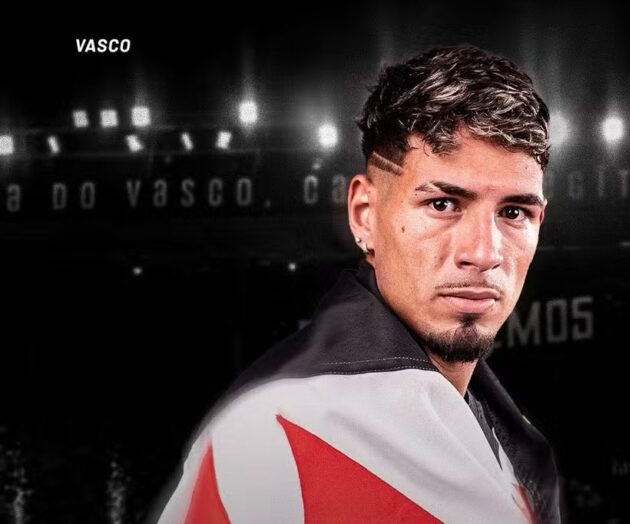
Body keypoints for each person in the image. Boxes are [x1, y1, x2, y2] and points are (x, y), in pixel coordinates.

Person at [153, 45, 560, 523]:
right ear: (364, 216)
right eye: (443, 204)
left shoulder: (517, 452)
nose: (485, 253)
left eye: (514, 212)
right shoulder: (271, 434)